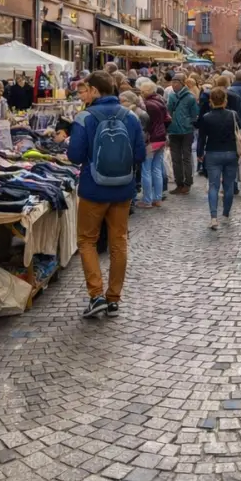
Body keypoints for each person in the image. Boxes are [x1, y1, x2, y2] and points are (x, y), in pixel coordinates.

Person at [68, 71, 146, 318]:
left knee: (87, 240)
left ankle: (96, 295)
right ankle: (113, 298)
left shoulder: (85, 117)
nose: (83, 94)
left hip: (93, 189)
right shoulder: (130, 116)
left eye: (85, 90)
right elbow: (140, 155)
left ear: (94, 90)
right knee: (119, 241)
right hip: (123, 189)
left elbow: (74, 156)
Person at [199, 87, 238, 230]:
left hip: (213, 153)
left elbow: (202, 138)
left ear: (211, 101)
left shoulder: (207, 117)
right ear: (225, 100)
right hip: (231, 152)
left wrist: (199, 154)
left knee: (213, 186)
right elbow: (240, 132)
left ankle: (213, 217)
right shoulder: (233, 115)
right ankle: (226, 213)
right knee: (229, 185)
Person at [167, 73, 200, 195]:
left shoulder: (190, 97)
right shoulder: (171, 96)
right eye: (173, 82)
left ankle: (188, 183)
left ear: (182, 83)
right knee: (175, 159)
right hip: (173, 131)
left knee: (186, 157)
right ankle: (179, 183)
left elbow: (195, 114)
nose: (174, 84)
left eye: (177, 82)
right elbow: (168, 111)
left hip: (186, 131)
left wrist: (187, 123)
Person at [139, 80, 169, 208]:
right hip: (161, 138)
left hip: (151, 140)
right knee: (157, 169)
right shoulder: (160, 101)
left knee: (146, 170)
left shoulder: (148, 105)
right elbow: (168, 119)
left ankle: (147, 200)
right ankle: (157, 198)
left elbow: (146, 125)